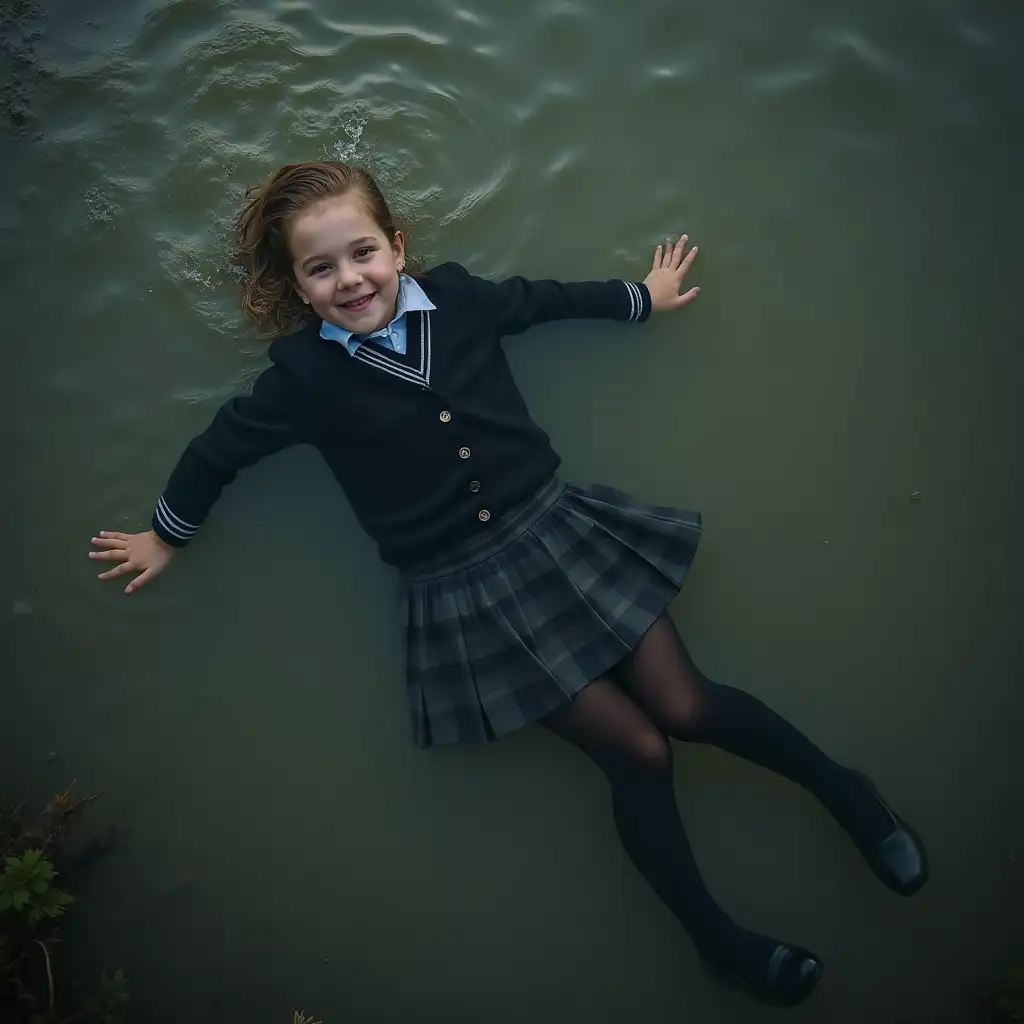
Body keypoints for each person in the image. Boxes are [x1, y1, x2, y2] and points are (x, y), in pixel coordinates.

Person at [88, 161, 927, 1006]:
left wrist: (643, 298)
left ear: (398, 248)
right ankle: (718, 941)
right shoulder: (302, 381)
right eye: (322, 268)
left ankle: (848, 792)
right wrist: (167, 535)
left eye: (363, 253)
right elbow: (217, 450)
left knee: (686, 707)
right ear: (299, 288)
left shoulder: (456, 300)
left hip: (558, 535)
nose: (350, 279)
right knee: (637, 753)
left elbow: (543, 300)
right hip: (460, 594)